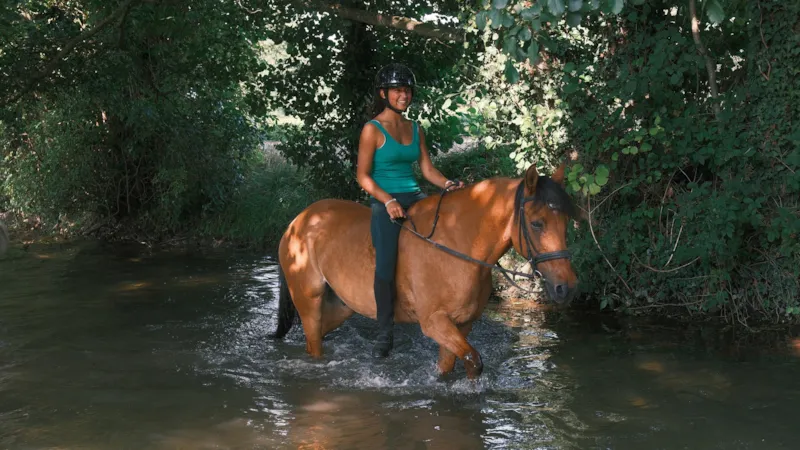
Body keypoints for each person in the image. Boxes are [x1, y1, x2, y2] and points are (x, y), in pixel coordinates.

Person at [356, 63, 464, 358]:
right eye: (397, 90)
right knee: (386, 262)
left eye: (407, 90)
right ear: (383, 93)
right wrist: (388, 201)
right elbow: (363, 176)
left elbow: (427, 169)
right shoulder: (372, 129)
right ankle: (384, 331)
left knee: (447, 237)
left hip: (415, 195)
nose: (404, 95)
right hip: (385, 199)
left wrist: (448, 184)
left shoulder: (415, 128)